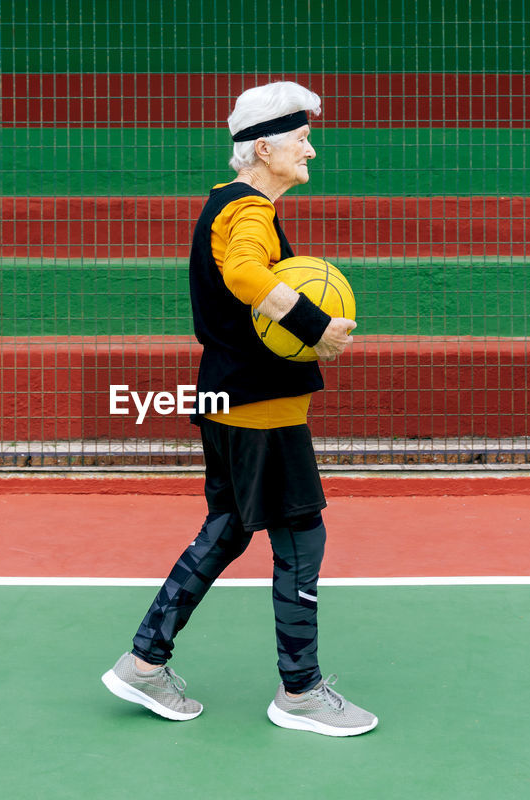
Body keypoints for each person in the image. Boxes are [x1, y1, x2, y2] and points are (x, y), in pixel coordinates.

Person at [100, 81, 377, 737]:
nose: (311, 146)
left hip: (230, 393)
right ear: (263, 147)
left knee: (228, 527)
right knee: (301, 535)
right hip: (259, 403)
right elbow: (248, 279)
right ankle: (301, 691)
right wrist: (314, 326)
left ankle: (144, 662)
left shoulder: (231, 206)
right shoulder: (248, 210)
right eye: (301, 136)